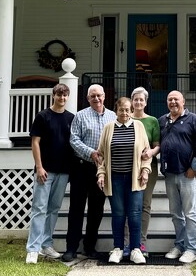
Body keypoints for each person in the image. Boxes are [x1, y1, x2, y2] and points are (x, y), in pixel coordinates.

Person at [63, 84, 116, 262]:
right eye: (92, 96)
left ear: (104, 96)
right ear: (88, 99)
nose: (96, 99)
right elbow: (74, 139)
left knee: (96, 209)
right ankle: (71, 248)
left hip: (101, 169)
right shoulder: (80, 115)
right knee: (76, 208)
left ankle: (90, 247)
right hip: (82, 166)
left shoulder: (112, 116)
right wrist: (91, 153)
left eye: (99, 95)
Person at [96, 97, 151, 264]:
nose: (125, 113)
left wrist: (146, 170)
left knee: (135, 215)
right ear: (116, 111)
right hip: (115, 179)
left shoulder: (139, 126)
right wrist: (101, 174)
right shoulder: (108, 128)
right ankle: (118, 249)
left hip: (135, 178)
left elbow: (146, 153)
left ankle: (135, 249)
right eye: (122, 110)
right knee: (118, 215)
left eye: (128, 110)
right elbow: (101, 155)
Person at [25, 84, 74, 264]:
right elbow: (35, 142)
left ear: (68, 97)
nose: (62, 98)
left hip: (63, 171)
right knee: (39, 208)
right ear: (53, 95)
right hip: (45, 171)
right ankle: (33, 248)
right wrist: (39, 167)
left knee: (53, 209)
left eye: (65, 95)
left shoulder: (71, 118)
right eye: (59, 95)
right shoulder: (43, 116)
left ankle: (46, 244)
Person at [158, 90, 196, 264]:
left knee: (190, 213)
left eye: (176, 99)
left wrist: (194, 167)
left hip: (187, 173)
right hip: (169, 173)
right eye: (170, 99)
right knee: (176, 213)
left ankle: (192, 249)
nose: (173, 102)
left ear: (183, 101)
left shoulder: (193, 119)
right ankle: (180, 245)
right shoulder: (162, 120)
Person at [128, 87, 160, 255]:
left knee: (144, 205)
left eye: (142, 100)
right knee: (129, 205)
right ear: (132, 101)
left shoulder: (152, 121)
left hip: (149, 167)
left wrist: (152, 152)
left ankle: (141, 243)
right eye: (136, 99)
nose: (138, 102)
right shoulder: (126, 118)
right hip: (127, 167)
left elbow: (157, 145)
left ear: (146, 102)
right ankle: (128, 243)